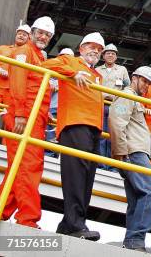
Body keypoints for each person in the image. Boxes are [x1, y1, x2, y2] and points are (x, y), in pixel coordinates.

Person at [42, 32, 105, 240]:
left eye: (99, 48)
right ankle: (75, 224)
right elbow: (46, 65)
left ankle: (70, 225)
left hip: (94, 129)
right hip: (75, 123)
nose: (95, 50)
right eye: (91, 46)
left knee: (87, 178)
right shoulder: (70, 61)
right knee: (76, 176)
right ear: (82, 48)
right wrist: (71, 73)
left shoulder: (98, 76)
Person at [0, 17, 54, 228]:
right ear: (32, 32)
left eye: (47, 35)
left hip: (33, 117)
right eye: (40, 32)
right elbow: (19, 81)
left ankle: (2, 210)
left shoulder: (38, 56)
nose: (43, 37)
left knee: (19, 166)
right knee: (28, 167)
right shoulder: (24, 51)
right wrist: (21, 113)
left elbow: (35, 88)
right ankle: (28, 219)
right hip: (23, 117)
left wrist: (44, 113)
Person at [109, 66, 151, 253]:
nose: (146, 85)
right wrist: (121, 153)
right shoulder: (127, 95)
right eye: (144, 81)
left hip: (135, 150)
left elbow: (129, 124)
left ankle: (132, 242)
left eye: (149, 82)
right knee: (150, 192)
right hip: (133, 153)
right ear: (134, 78)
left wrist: (148, 135)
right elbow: (116, 121)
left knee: (137, 197)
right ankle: (136, 240)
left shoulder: (134, 99)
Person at [96, 43, 130, 168]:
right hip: (101, 104)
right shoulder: (97, 70)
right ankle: (101, 164)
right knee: (101, 134)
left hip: (117, 106)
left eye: (113, 53)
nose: (110, 55)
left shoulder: (122, 70)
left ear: (116, 57)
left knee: (115, 135)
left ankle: (112, 165)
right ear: (103, 55)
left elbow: (128, 87)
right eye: (108, 53)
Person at [45, 48, 74, 157]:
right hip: (50, 106)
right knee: (48, 132)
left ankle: (54, 154)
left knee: (58, 135)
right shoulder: (51, 67)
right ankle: (48, 153)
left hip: (65, 109)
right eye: (63, 55)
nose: (65, 58)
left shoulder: (73, 72)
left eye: (68, 56)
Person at [0, 24, 32, 109]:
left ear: (29, 38)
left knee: (9, 117)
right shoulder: (2, 48)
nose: (21, 36)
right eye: (19, 33)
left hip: (13, 91)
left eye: (24, 35)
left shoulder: (29, 54)